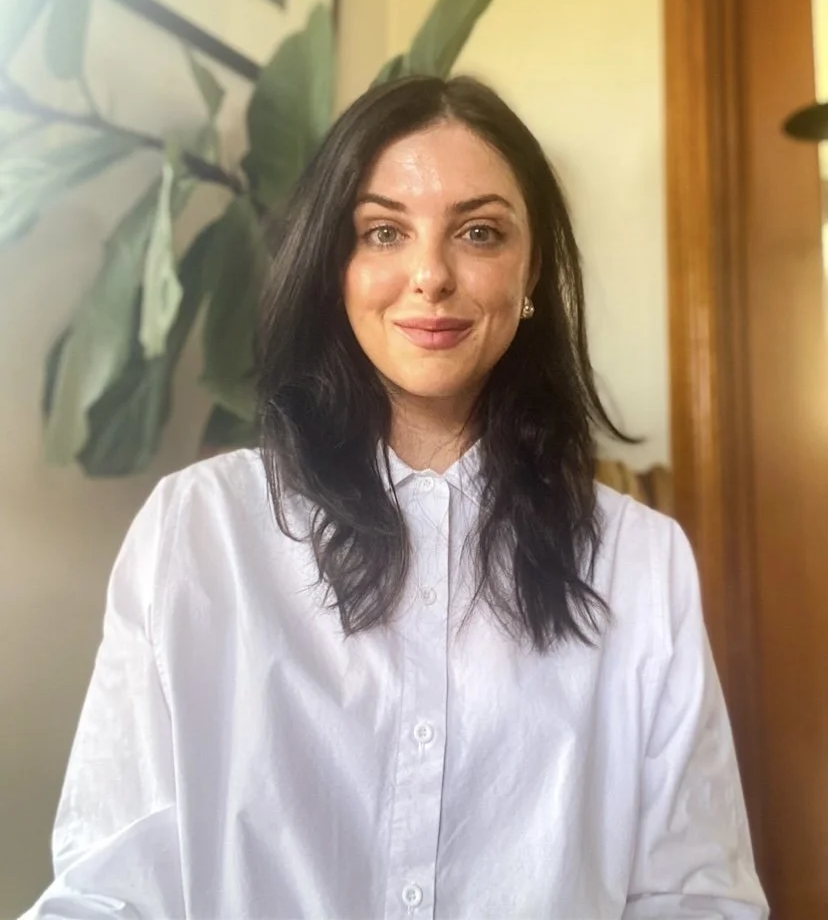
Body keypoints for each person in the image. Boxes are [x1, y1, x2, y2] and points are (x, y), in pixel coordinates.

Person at [22, 76, 768, 919]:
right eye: (384, 231)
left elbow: (696, 895)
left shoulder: (642, 560)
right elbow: (109, 889)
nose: (430, 275)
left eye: (479, 232)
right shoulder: (199, 530)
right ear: (334, 269)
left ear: (532, 271)